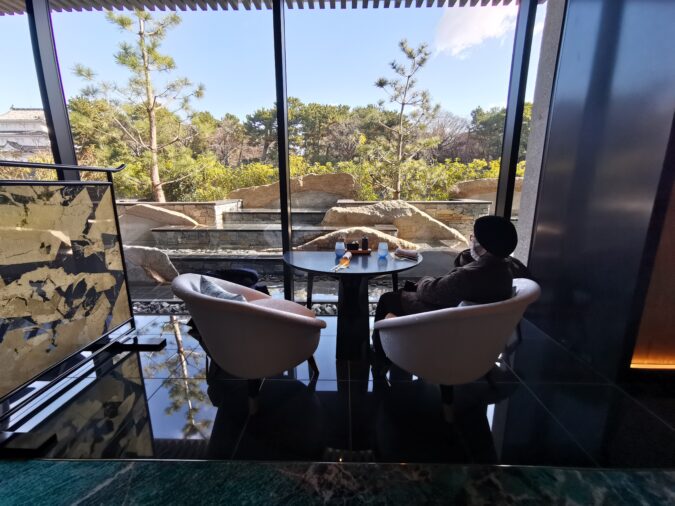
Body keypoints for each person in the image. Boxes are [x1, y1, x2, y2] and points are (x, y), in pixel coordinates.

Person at [372, 215, 519, 359]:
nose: (472, 240)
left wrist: (425, 280)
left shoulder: (469, 276)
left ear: (484, 244)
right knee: (407, 289)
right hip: (470, 324)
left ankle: (379, 355)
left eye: (474, 237)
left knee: (388, 299)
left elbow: (429, 292)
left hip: (444, 322)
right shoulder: (506, 269)